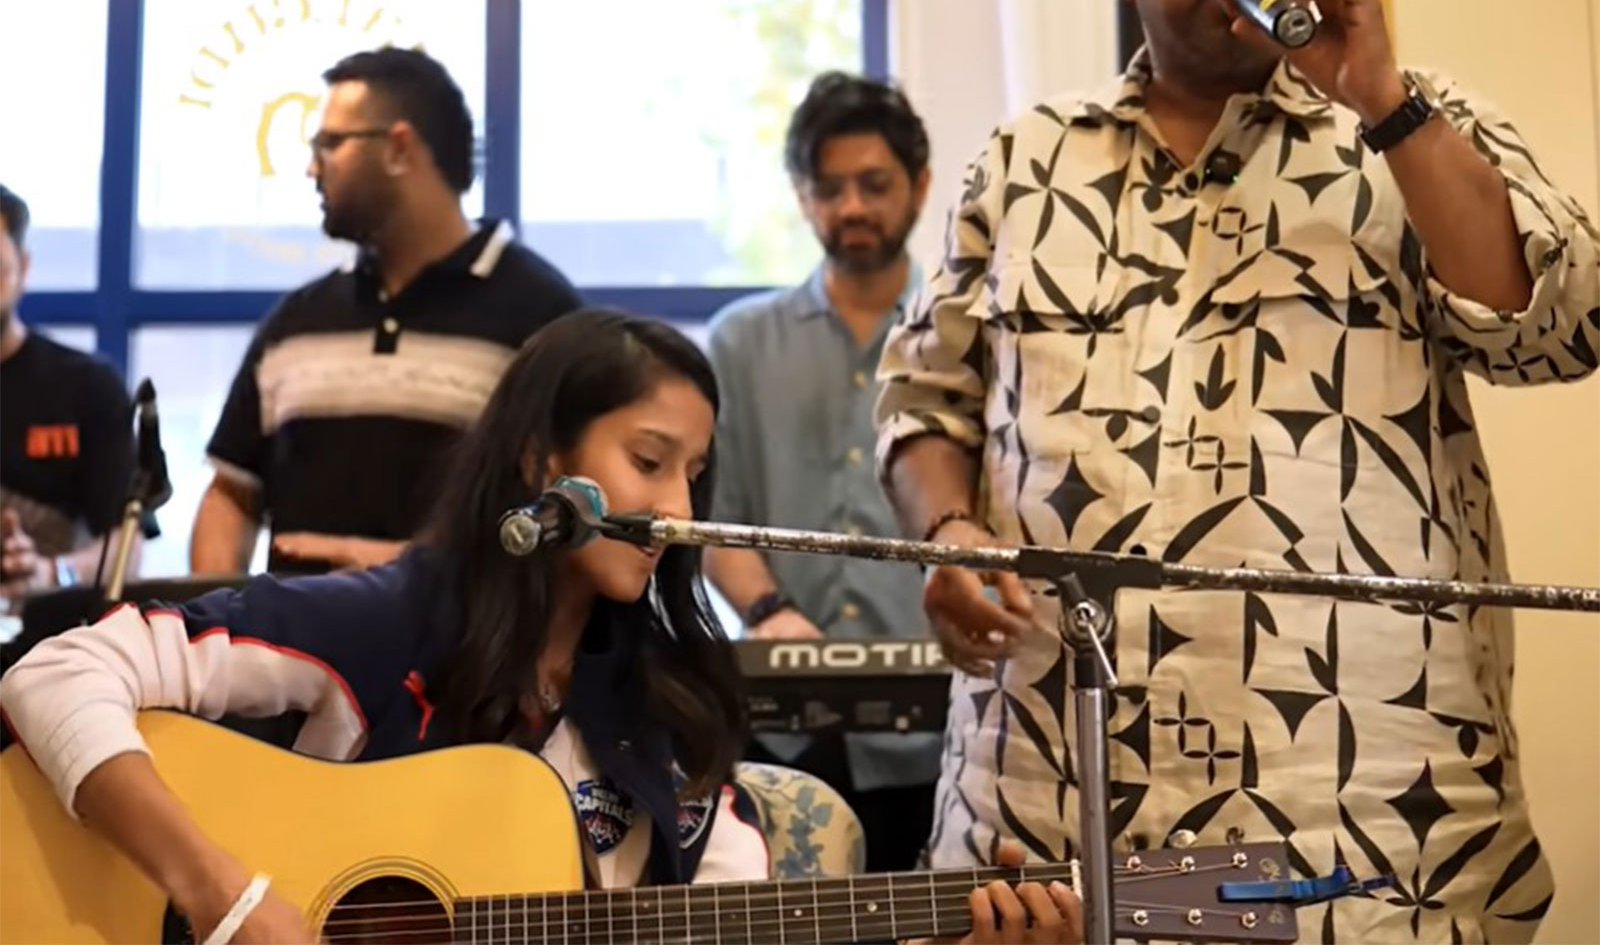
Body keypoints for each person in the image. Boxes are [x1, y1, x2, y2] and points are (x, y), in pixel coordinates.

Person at [875, 0, 1600, 944]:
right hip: (1054, 810)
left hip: (1358, 824)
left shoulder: (1409, 131)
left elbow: (1555, 325)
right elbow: (922, 398)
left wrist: (1386, 102)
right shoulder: (1023, 161)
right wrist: (950, 534)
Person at [1, 310, 1081, 945]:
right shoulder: (387, 623)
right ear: (536, 461)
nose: (674, 502)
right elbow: (53, 674)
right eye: (648, 461)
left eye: (694, 473)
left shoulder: (665, 710)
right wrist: (223, 896)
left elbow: (729, 912)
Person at [189, 47, 580, 578]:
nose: (311, 168)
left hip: (456, 657)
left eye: (329, 144)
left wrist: (399, 570)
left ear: (399, 149)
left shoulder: (544, 319)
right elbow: (233, 495)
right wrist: (215, 624)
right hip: (288, 653)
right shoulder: (295, 323)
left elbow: (569, 512)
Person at [703, 72, 941, 872]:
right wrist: (768, 611)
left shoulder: (966, 334)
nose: (851, 208)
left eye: (874, 184)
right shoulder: (738, 343)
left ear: (920, 185)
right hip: (780, 734)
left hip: (941, 734)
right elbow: (714, 516)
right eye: (828, 188)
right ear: (802, 198)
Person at [0, 184, 140, 602]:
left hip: (51, 640)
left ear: (24, 268)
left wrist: (50, 572)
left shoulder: (87, 386)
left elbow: (127, 546)